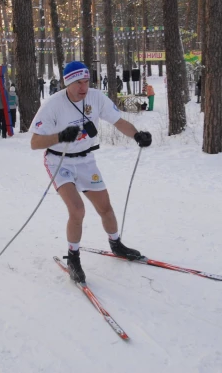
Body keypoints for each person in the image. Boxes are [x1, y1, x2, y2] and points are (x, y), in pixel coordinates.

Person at [30, 61, 153, 283]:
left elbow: (118, 121)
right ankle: (74, 258)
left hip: (86, 160)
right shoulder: (52, 105)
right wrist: (60, 136)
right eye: (78, 82)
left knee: (105, 208)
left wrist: (137, 135)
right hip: (60, 162)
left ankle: (116, 244)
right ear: (67, 83)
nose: (83, 87)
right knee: (77, 210)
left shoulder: (96, 97)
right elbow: (35, 142)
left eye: (86, 81)